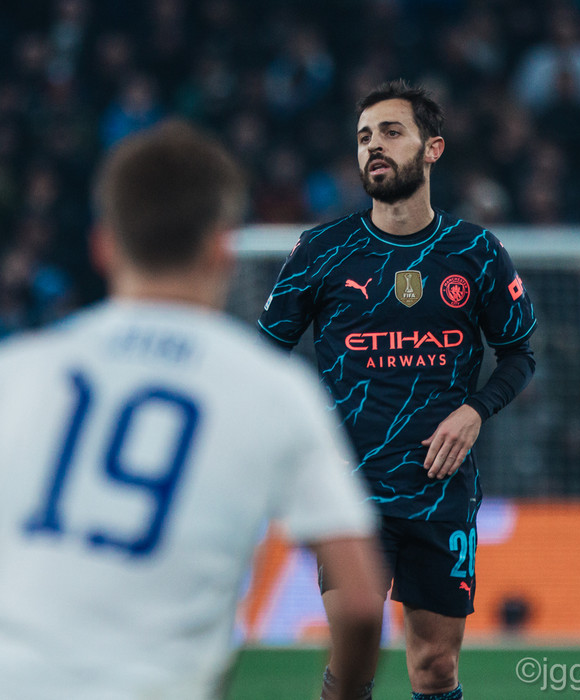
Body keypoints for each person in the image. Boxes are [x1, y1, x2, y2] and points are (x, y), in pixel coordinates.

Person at [0, 120, 384, 700]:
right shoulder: (273, 389)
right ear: (221, 250)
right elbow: (359, 602)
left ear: (102, 246)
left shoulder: (20, 370)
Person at [258, 79, 538, 700]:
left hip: (441, 490)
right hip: (347, 492)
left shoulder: (476, 252)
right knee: (354, 658)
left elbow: (519, 354)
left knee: (435, 667)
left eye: (390, 132)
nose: (373, 147)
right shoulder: (322, 250)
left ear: (432, 148)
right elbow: (264, 358)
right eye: (364, 137)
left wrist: (475, 410)